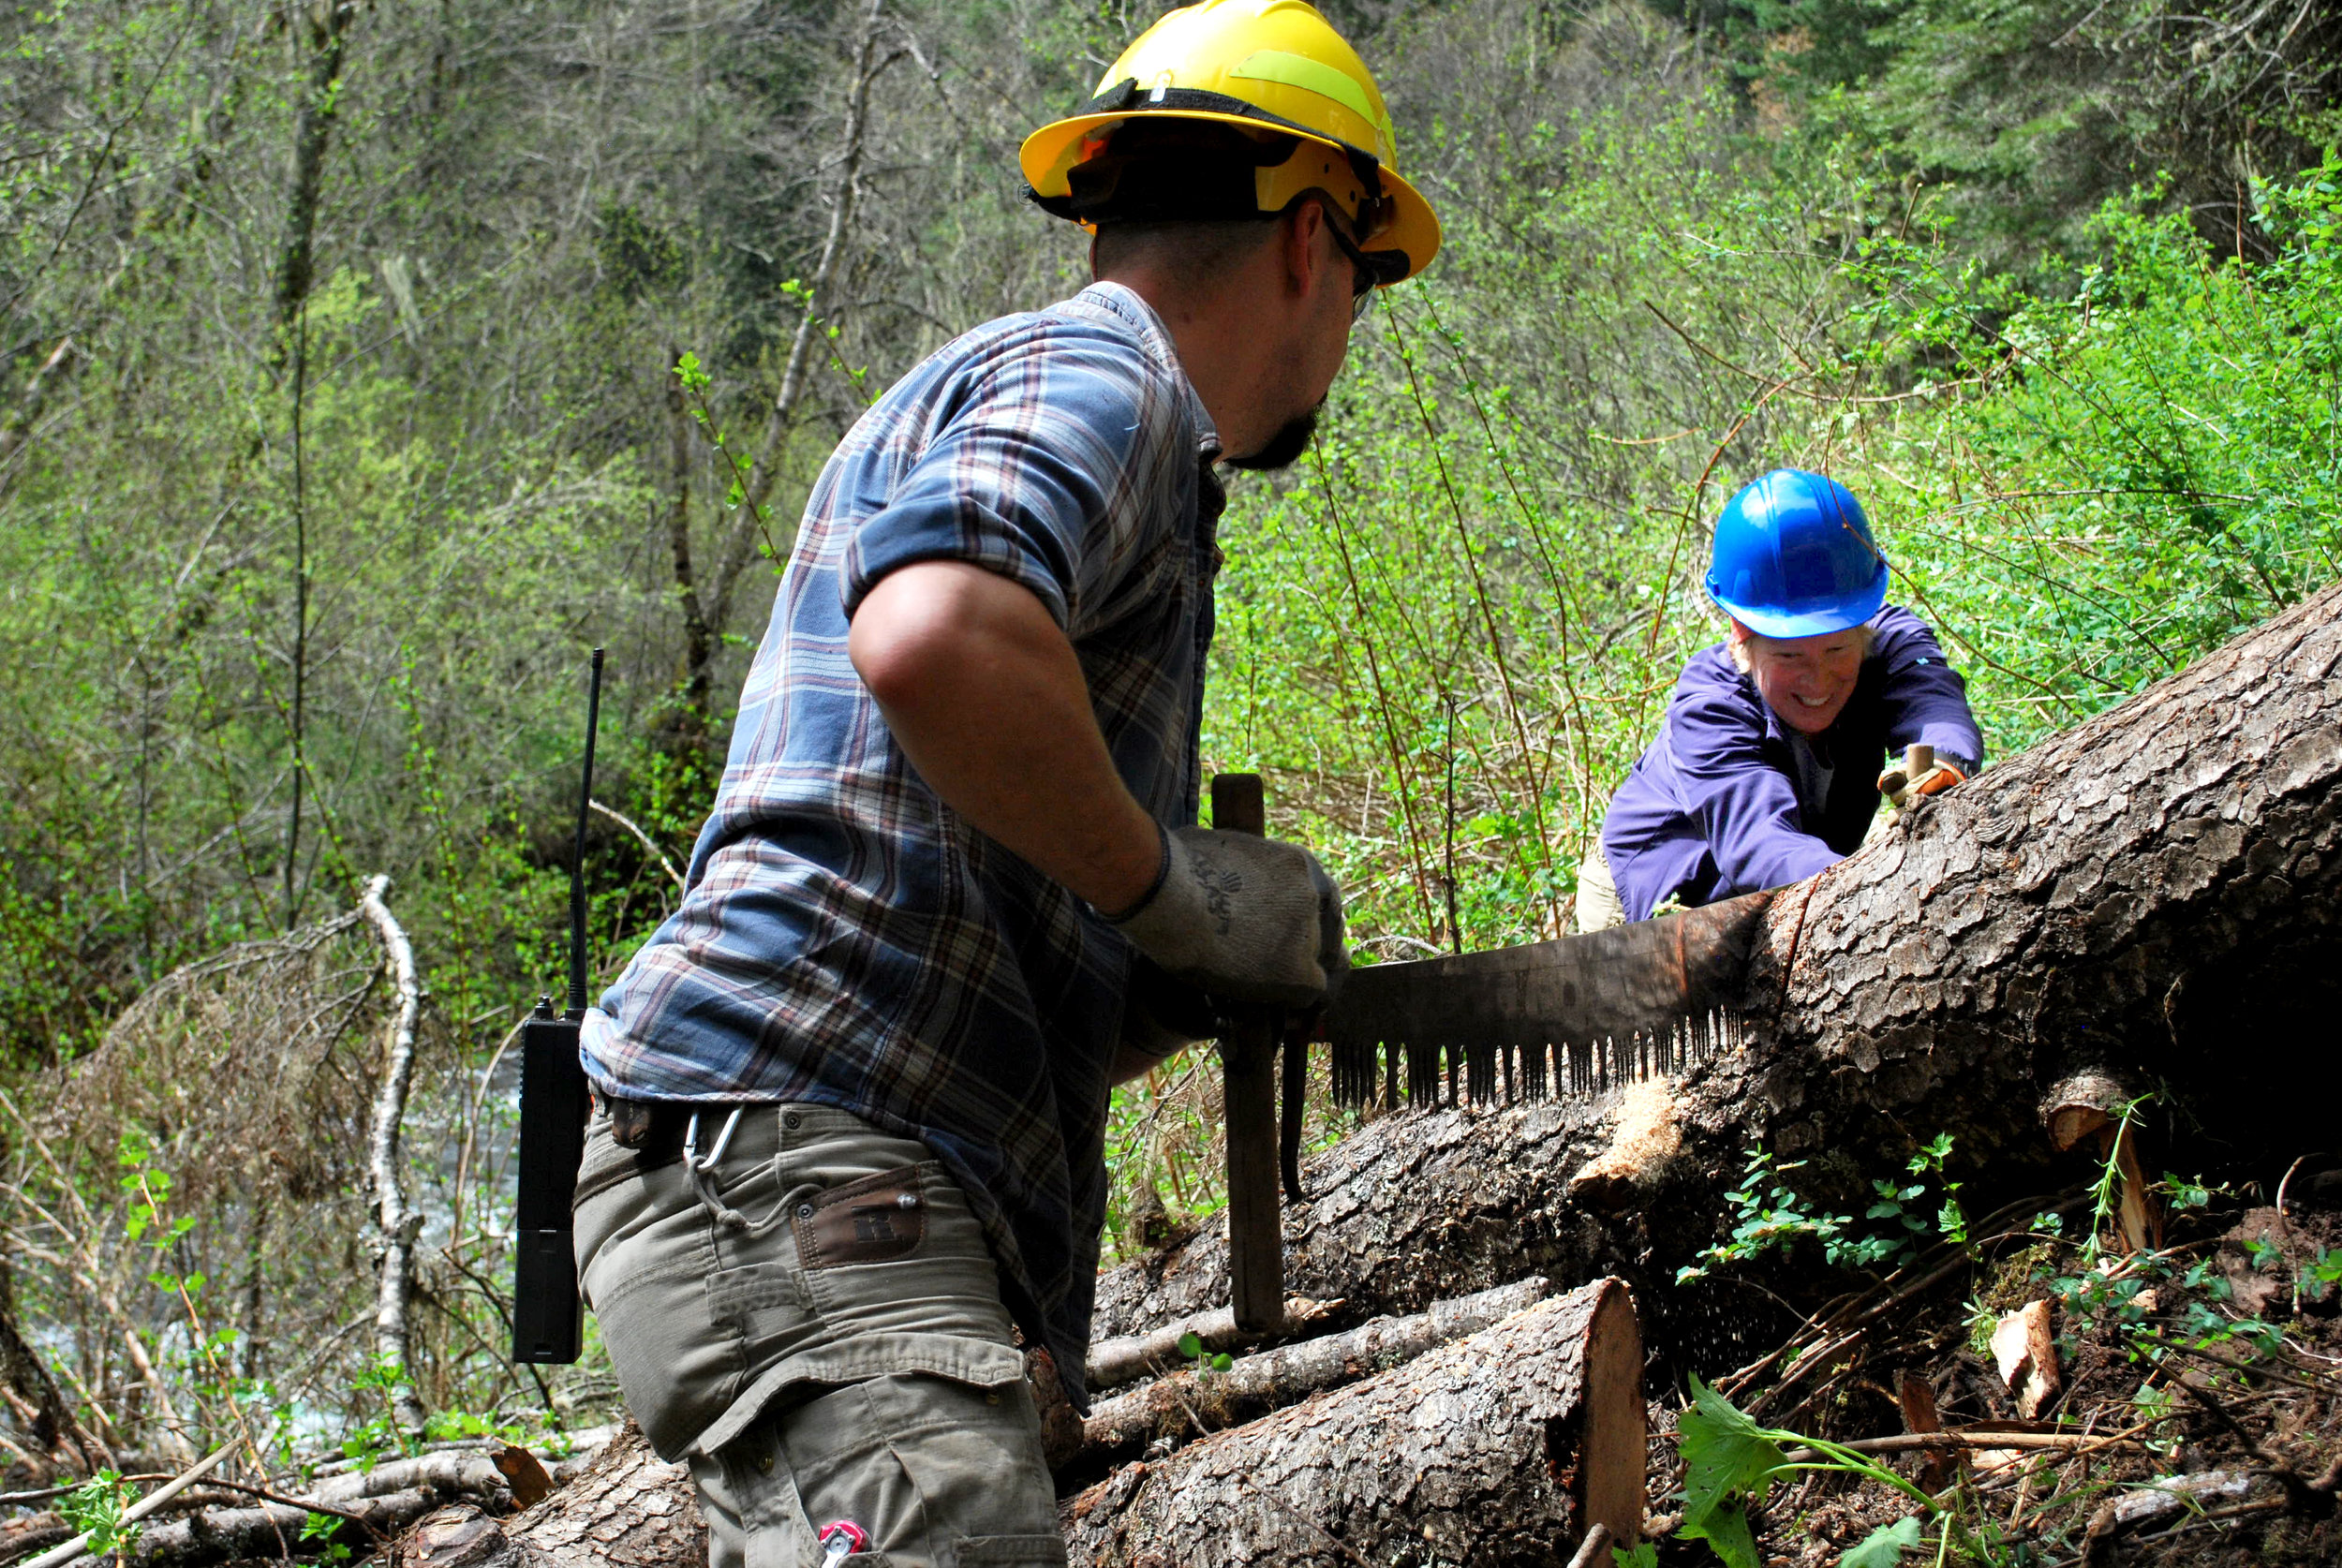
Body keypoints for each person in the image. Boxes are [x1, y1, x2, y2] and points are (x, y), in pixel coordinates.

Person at [569, 5, 1442, 1565]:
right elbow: (934, 631)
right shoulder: (1110, 378)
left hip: (803, 1140)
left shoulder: (1029, 397)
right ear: (1315, 240)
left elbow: (934, 888)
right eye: (1370, 283)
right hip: (802, 1157)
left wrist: (1166, 973)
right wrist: (1168, 885)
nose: (1350, 331)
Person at [1579, 468, 1983, 930]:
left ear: (1865, 621)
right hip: (1651, 886)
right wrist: (1875, 891)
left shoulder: (1891, 640)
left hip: (1808, 865)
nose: (1818, 680)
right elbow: (1759, 844)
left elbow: (1934, 705)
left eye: (1836, 649)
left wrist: (1942, 765)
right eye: (1790, 654)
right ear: (1741, 636)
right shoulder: (1708, 706)